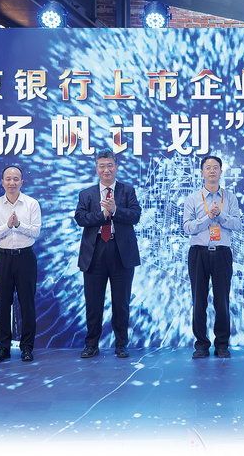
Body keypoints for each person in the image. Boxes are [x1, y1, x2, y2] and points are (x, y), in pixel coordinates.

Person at [74, 150, 141, 359]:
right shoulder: (86, 194)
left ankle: (121, 345)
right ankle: (91, 344)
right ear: (96, 168)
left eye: (110, 165)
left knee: (121, 302)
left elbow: (136, 216)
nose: (106, 170)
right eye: (102, 166)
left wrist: (115, 210)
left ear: (116, 167)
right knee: (93, 303)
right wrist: (102, 214)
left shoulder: (127, 191)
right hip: (94, 253)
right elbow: (80, 218)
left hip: (121, 252)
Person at [182, 155, 242, 359]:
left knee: (222, 300)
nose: (212, 171)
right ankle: (201, 344)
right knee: (199, 300)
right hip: (198, 252)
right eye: (208, 168)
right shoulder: (192, 198)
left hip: (222, 253)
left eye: (215, 167)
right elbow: (187, 227)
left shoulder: (230, 198)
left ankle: (222, 344)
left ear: (221, 172)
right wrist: (208, 217)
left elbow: (237, 224)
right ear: (202, 172)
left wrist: (221, 215)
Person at [0, 166, 41, 363]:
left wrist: (19, 225)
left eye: (16, 179)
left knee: (27, 304)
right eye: (8, 179)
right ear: (2, 182)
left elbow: (35, 232)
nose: (12, 182)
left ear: (22, 182)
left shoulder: (32, 204)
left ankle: (27, 348)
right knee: (3, 304)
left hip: (25, 258)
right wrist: (7, 226)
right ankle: (3, 348)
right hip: (3, 258)